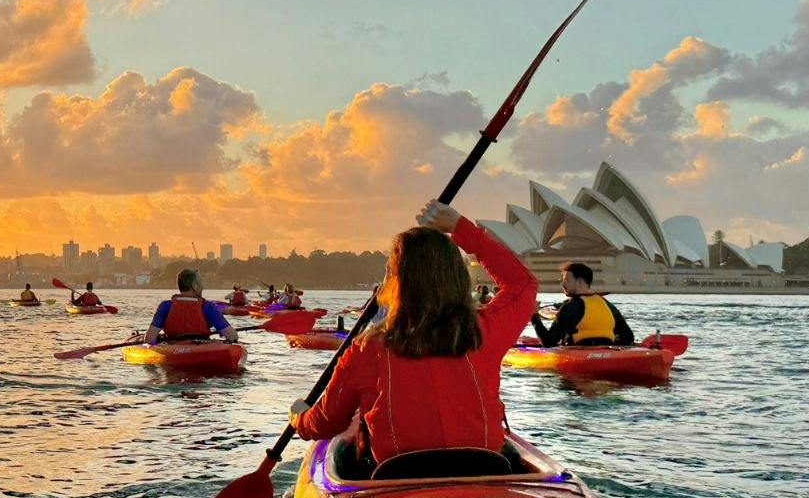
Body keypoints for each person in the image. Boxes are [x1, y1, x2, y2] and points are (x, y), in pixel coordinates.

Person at [288, 201, 537, 471]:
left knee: (346, 454)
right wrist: (460, 228)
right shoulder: (486, 331)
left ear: (396, 281)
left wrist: (299, 417)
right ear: (458, 277)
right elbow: (522, 284)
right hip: (484, 468)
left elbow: (326, 423)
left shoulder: (368, 348)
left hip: (398, 478)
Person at [530, 261, 635, 347]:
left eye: (566, 280)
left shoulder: (570, 307)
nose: (562, 284)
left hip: (579, 357)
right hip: (607, 351)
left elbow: (548, 342)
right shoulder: (606, 304)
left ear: (579, 282)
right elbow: (628, 337)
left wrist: (534, 315)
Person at [144, 270, 237, 344]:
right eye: (200, 283)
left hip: (173, 346)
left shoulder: (165, 306)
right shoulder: (208, 307)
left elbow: (149, 339)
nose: (202, 287)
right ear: (194, 286)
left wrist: (158, 341)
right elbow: (232, 336)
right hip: (202, 346)